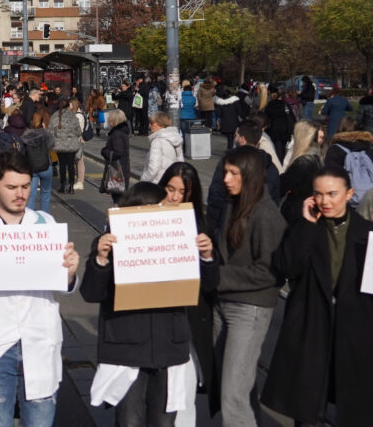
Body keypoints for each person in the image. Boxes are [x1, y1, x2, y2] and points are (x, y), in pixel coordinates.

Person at [0, 150, 79, 427]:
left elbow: (65, 287)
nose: (20, 194)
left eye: (25, 186)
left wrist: (69, 273)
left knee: (40, 422)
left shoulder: (45, 224)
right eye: (11, 187)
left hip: (39, 337)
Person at [82, 181, 216, 427]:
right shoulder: (109, 243)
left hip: (168, 347)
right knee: (129, 421)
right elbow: (91, 293)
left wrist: (206, 257)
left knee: (164, 422)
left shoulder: (181, 238)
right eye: (158, 207)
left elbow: (208, 286)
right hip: (127, 349)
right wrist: (101, 259)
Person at [261, 167, 373, 427]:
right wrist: (306, 226)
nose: (325, 201)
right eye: (319, 194)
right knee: (307, 406)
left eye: (332, 194)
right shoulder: (305, 227)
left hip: (354, 331)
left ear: (349, 194)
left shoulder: (366, 233)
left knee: (356, 407)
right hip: (311, 327)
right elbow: (286, 267)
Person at [212, 146, 286, 427]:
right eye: (225, 172)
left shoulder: (266, 215)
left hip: (250, 308)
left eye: (233, 173)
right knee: (237, 385)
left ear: (250, 175)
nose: (226, 179)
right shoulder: (234, 205)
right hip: (224, 303)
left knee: (234, 393)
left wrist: (219, 277)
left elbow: (270, 272)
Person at [158, 162, 217, 426]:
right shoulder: (144, 216)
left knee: (184, 392)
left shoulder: (201, 224)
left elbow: (212, 284)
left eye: (183, 192)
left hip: (186, 322)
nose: (175, 197)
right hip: (153, 320)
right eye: (170, 189)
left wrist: (208, 256)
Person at [280, 119, 325, 224]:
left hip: (298, 214)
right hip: (308, 209)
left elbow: (281, 186)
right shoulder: (317, 156)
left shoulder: (303, 163)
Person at [21, 111, 54, 212]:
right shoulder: (46, 134)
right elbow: (51, 145)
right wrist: (44, 129)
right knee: (46, 192)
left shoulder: (26, 135)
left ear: (31, 121)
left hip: (32, 167)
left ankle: (30, 217)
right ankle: (44, 215)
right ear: (42, 122)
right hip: (46, 166)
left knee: (31, 194)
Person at [48, 97, 81, 194]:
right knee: (71, 165)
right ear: (68, 105)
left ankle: (63, 185)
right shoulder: (73, 116)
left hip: (59, 144)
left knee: (62, 165)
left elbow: (50, 131)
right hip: (71, 144)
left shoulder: (55, 116)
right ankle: (71, 186)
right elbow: (78, 131)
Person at [141, 112, 184, 183]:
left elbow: (153, 168)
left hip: (157, 182)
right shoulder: (175, 138)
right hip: (170, 180)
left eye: (152, 123)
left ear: (160, 123)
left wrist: (143, 181)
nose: (149, 125)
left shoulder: (157, 142)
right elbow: (180, 161)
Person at [101, 109, 131, 204]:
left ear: (115, 120)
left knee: (118, 197)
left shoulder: (117, 133)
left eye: (109, 118)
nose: (108, 120)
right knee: (119, 197)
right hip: (121, 168)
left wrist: (105, 151)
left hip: (118, 170)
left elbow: (118, 152)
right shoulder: (120, 131)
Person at [214, 86, 244, 150]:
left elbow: (219, 114)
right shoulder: (235, 101)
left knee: (229, 138)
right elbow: (240, 112)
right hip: (234, 122)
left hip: (225, 123)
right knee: (235, 137)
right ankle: (234, 149)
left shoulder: (220, 102)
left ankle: (230, 150)